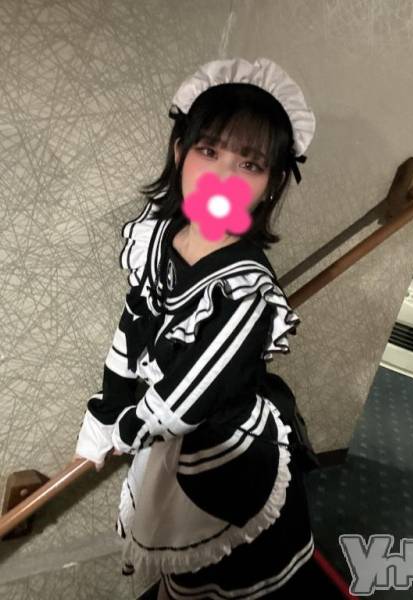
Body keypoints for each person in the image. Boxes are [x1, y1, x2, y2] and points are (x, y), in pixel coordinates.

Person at [73, 57, 341, 599]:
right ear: (180, 152)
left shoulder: (246, 291)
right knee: (187, 571)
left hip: (222, 451)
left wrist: (122, 431)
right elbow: (133, 323)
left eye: (249, 163)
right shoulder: (158, 236)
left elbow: (187, 399)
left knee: (236, 574)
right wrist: (104, 408)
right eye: (210, 151)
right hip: (164, 439)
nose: (222, 176)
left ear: (271, 184)